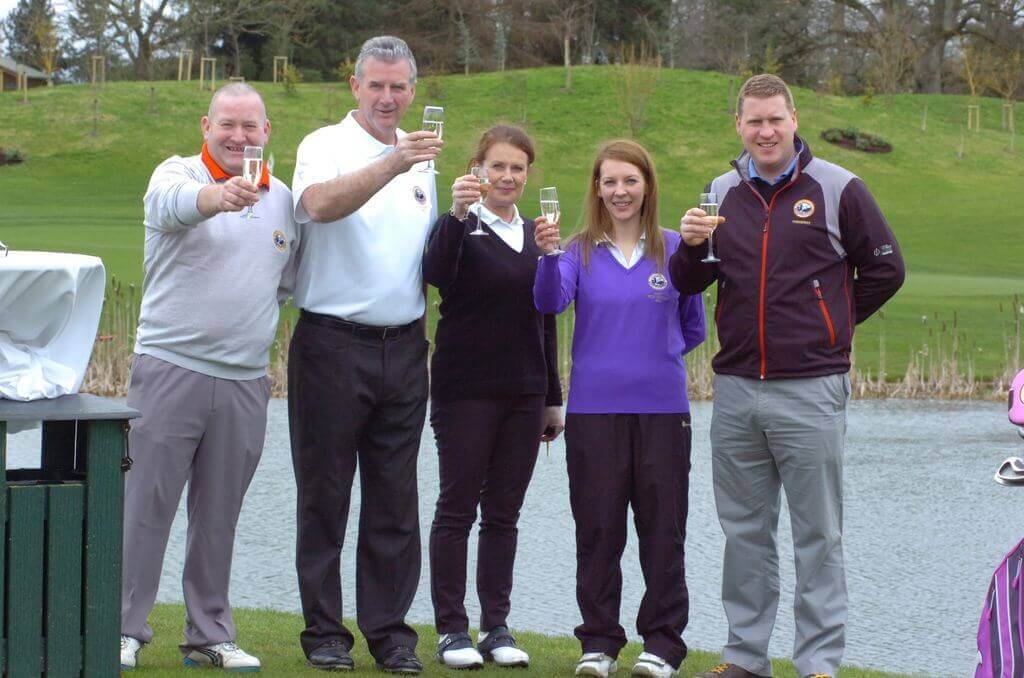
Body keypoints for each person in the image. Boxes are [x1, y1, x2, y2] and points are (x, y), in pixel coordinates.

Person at [671, 74, 905, 678]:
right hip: (736, 389)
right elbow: (690, 282)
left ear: (794, 119)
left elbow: (887, 270)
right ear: (739, 126)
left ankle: (818, 663)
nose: (766, 131)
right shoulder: (720, 191)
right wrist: (690, 247)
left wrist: (831, 326)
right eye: (754, 121)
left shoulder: (839, 187)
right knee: (744, 533)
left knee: (817, 535)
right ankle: (745, 658)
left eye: (775, 118)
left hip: (811, 389)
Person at [120, 82, 298, 672]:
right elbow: (171, 206)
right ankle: (121, 628)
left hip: (246, 380)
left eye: (250, 126)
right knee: (145, 508)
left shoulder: (282, 199)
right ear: (206, 125)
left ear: (266, 132)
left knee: (218, 518)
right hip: (170, 368)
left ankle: (209, 636)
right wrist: (217, 197)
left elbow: (284, 284)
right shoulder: (176, 173)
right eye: (227, 124)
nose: (238, 135)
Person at [288, 35, 441, 674]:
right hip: (331, 344)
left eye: (398, 86)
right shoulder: (324, 145)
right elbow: (317, 206)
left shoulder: (424, 161)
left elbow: (426, 256)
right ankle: (325, 633)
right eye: (375, 84)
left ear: (413, 90)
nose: (387, 97)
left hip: (403, 347)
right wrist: (392, 162)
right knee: (324, 496)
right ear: (355, 86)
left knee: (395, 501)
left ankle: (390, 635)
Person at [534, 139, 706, 678]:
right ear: (597, 188)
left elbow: (693, 328)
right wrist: (546, 256)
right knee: (598, 532)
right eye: (609, 181)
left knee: (663, 534)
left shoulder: (675, 248)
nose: (620, 191)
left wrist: (649, 359)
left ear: (647, 185)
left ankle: (663, 645)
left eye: (630, 180)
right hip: (593, 415)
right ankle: (599, 643)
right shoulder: (576, 251)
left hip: (663, 414)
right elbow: (549, 301)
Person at [423, 125, 564, 670]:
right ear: (476, 169)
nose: (507, 177)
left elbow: (546, 318)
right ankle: (451, 630)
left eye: (517, 168)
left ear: (528, 175)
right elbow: (436, 274)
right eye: (497, 166)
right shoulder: (459, 225)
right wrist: (457, 214)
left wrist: (552, 396)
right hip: (465, 391)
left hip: (524, 394)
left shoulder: (537, 235)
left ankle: (495, 627)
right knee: (457, 508)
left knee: (504, 513)